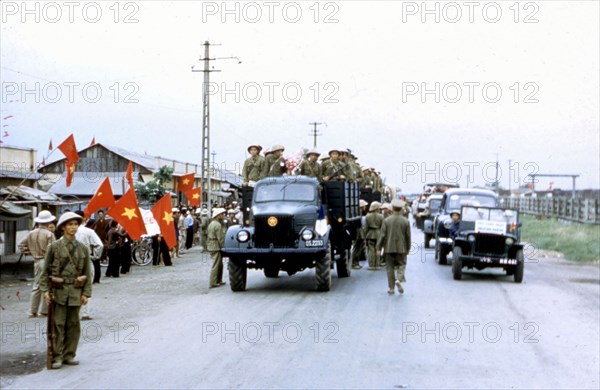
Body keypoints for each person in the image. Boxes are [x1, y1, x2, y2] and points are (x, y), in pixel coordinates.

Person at [40, 211, 92, 369]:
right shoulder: (54, 247)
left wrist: (86, 293)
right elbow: (45, 272)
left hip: (76, 292)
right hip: (59, 292)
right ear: (63, 227)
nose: (73, 227)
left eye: (76, 224)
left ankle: (70, 355)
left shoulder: (83, 248)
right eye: (70, 224)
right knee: (58, 325)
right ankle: (57, 356)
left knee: (73, 325)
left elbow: (87, 273)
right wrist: (45, 291)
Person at [20, 210, 56, 318]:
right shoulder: (49, 234)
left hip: (36, 260)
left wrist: (29, 252)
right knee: (47, 285)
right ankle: (43, 311)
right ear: (48, 221)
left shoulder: (31, 233)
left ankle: (32, 310)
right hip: (46, 260)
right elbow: (54, 250)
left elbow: (21, 245)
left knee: (37, 285)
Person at [377, 199, 411, 295]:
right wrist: (408, 248)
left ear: (392, 209)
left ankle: (391, 288)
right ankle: (399, 279)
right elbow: (408, 236)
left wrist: (378, 248)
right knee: (402, 264)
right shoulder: (405, 221)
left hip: (388, 248)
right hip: (401, 248)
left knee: (390, 268)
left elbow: (382, 235)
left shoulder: (387, 220)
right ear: (401, 209)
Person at [73, 210, 103, 320]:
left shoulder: (67, 232)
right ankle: (84, 312)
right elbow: (99, 245)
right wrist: (95, 256)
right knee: (86, 286)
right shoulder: (88, 231)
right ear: (84, 218)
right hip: (86, 260)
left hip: (70, 262)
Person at [207, 208, 227, 288]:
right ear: (218, 216)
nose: (223, 216)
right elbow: (221, 238)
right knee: (216, 264)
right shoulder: (218, 225)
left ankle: (219, 280)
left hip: (212, 244)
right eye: (222, 214)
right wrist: (224, 247)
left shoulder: (212, 223)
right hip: (216, 246)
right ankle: (213, 282)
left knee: (219, 264)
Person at [350, 199, 369, 269]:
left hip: (359, 232)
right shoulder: (358, 213)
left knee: (358, 247)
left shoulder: (358, 213)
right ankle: (354, 262)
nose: (365, 207)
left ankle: (356, 262)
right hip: (358, 233)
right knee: (356, 248)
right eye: (364, 206)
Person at [365, 201, 384, 270]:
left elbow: (366, 227)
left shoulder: (368, 216)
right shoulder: (381, 216)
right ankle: (377, 264)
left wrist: (365, 236)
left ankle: (371, 265)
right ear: (376, 208)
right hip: (379, 234)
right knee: (378, 249)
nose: (380, 209)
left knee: (371, 250)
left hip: (370, 234)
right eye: (379, 208)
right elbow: (383, 227)